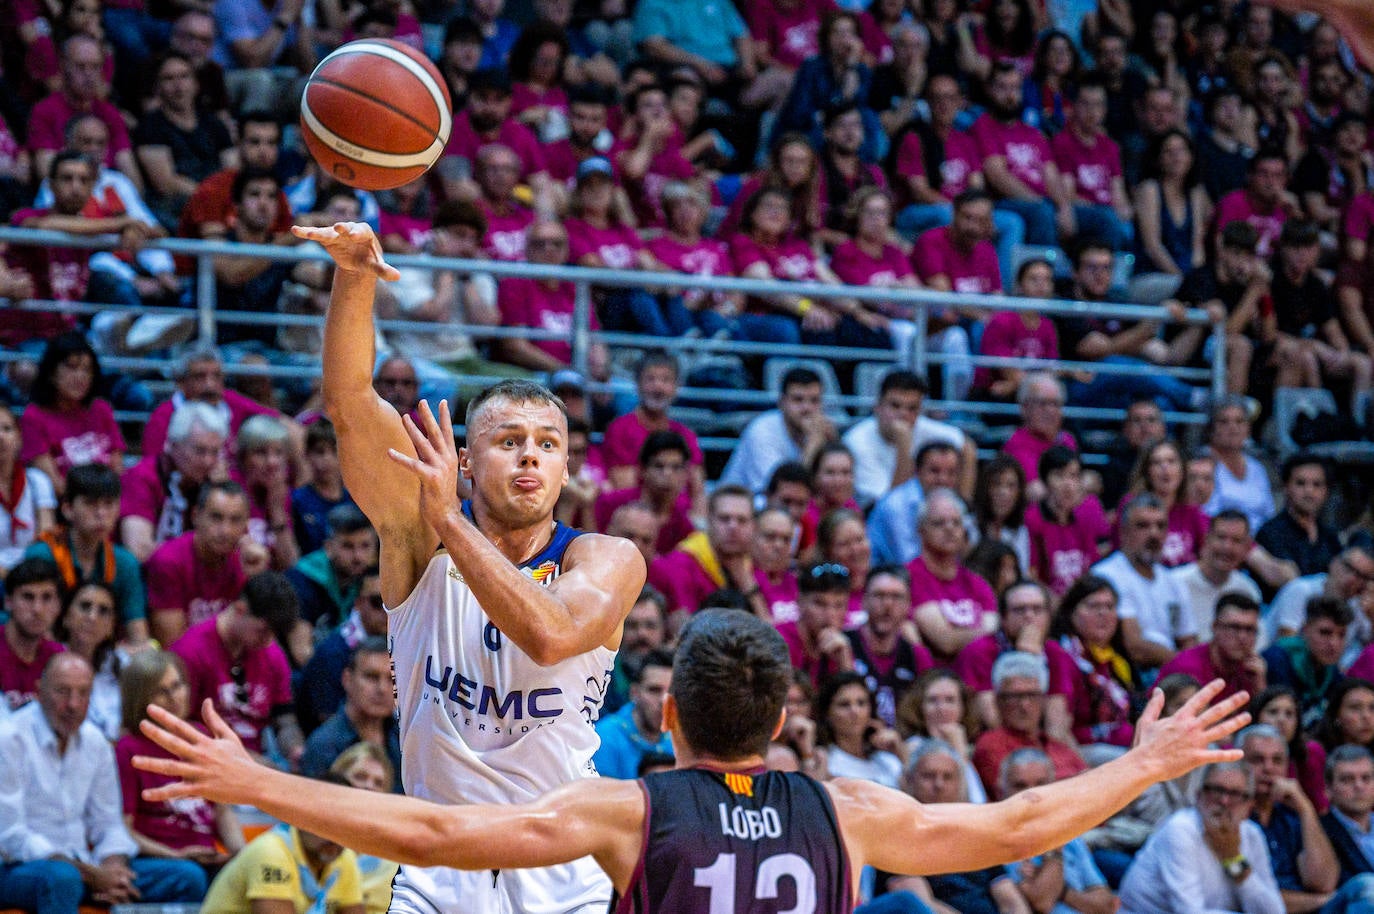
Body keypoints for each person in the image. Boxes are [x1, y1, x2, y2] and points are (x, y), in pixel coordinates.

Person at [131, 608, 1252, 914]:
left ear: (667, 718)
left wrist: (258, 781)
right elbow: (1018, 824)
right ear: (784, 719)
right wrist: (1148, 761)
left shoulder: (628, 807)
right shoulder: (844, 804)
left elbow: (431, 833)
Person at [294, 219, 645, 913]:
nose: (529, 456)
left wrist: (450, 516)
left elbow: (549, 637)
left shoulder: (605, 557)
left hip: (561, 872)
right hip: (439, 872)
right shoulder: (415, 537)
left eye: (548, 443)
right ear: (465, 456)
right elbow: (349, 404)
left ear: (568, 467)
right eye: (508, 440)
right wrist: (356, 274)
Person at [0, 653, 208, 912]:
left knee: (188, 877)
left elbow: (109, 824)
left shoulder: (94, 741)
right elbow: (11, 838)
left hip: (86, 866)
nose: (73, 704)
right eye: (63, 692)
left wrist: (113, 868)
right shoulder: (9, 738)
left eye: (83, 693)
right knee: (62, 879)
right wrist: (90, 874)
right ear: (38, 692)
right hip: (18, 868)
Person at [115, 651, 244, 875]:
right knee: (191, 875)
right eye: (161, 692)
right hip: (157, 859)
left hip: (206, 857)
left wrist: (243, 856)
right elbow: (124, 829)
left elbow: (222, 812)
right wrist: (176, 856)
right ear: (140, 699)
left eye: (177, 686)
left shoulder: (202, 736)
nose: (174, 697)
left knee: (252, 871)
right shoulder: (128, 748)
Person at [1118, 760, 1285, 914]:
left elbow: (1275, 911)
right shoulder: (1181, 828)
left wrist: (1233, 859)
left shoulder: (1252, 835)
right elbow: (1189, 911)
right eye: (1217, 790)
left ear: (1249, 805)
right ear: (1198, 796)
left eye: (1235, 794)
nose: (1224, 801)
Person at [171, 571, 302, 763]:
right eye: (263, 631)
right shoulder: (190, 653)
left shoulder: (273, 655)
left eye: (275, 634)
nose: (268, 641)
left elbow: (284, 718)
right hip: (202, 759)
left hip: (256, 758)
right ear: (240, 609)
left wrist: (295, 750)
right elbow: (179, 726)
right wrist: (249, 761)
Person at [197, 780, 365, 914]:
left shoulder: (343, 855)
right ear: (300, 817)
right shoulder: (271, 851)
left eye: (343, 825)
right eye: (325, 823)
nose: (334, 835)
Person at [25, 463, 147, 645]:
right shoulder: (42, 555)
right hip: (49, 651)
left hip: (103, 654)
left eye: (109, 504)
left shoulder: (125, 562)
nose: (101, 514)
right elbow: (37, 628)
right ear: (67, 509)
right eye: (90, 503)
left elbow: (138, 632)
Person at [997, 748, 1118, 914]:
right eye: (1020, 785)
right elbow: (1043, 902)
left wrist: (1061, 891)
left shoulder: (1070, 836)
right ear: (1001, 790)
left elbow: (1106, 905)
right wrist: (1055, 849)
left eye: (1041, 784)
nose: (1032, 794)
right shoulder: (998, 840)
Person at [1093, 494, 1198, 671]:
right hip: (1128, 675)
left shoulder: (1173, 581)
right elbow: (1135, 647)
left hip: (1170, 676)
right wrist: (1181, 665)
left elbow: (1188, 639)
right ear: (1123, 532)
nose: (1154, 534)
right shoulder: (1106, 576)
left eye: (1160, 526)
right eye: (1143, 525)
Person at [143, 480, 254, 648]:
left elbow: (258, 638)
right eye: (216, 518)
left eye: (235, 520)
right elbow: (175, 646)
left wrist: (256, 579)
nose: (225, 531)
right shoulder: (168, 561)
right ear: (195, 516)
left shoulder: (246, 562)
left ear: (246, 526)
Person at [842, 370, 973, 507]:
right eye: (895, 406)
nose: (903, 414)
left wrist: (962, 505)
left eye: (912, 408)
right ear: (878, 407)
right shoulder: (857, 443)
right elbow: (888, 506)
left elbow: (967, 447)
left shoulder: (923, 426)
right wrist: (904, 446)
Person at [120, 401, 229, 563]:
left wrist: (220, 493)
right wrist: (203, 550)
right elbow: (138, 550)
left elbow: (237, 545)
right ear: (173, 445)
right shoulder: (142, 476)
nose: (208, 461)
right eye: (200, 451)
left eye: (214, 452)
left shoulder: (215, 480)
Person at [17, 333, 125, 492]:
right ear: (51, 372)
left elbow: (117, 470)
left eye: (87, 370)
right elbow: (54, 485)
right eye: (71, 367)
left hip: (108, 504)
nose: (80, 376)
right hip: (62, 508)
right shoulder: (34, 417)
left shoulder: (101, 409)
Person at [972, 651, 1088, 793]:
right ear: (998, 701)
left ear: (1043, 700)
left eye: (1032, 695)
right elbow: (1017, 792)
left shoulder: (1058, 746)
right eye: (1015, 697)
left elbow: (1092, 785)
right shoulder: (991, 745)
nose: (1024, 705)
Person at [1050, 575, 1137, 757]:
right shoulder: (1063, 656)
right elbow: (1060, 728)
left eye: (1109, 607)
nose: (1103, 614)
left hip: (1121, 747)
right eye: (1093, 606)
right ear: (1071, 613)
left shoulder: (1116, 660)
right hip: (1084, 751)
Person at [909, 490, 998, 664]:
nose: (949, 529)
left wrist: (961, 635)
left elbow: (995, 631)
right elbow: (945, 641)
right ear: (921, 531)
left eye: (956, 523)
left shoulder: (977, 583)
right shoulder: (911, 577)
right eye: (939, 523)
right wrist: (981, 631)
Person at [300, 637, 402, 787]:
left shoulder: (405, 740)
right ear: (347, 679)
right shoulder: (323, 745)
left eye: (391, 680)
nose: (382, 688)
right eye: (371, 677)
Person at [721, 367, 836, 495]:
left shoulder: (823, 431)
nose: (807, 408)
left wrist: (832, 442)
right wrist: (812, 445)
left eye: (814, 401)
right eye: (798, 400)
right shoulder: (762, 431)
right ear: (782, 402)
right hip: (742, 505)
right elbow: (780, 491)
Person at [296, 567, 386, 732]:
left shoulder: (404, 644)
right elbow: (327, 720)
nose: (387, 611)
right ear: (358, 603)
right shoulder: (332, 654)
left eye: (394, 602)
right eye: (378, 602)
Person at [649, 485, 757, 622]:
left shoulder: (759, 562)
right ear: (709, 521)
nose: (733, 527)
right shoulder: (680, 564)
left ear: (754, 525)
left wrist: (750, 589)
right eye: (724, 519)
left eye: (742, 520)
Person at [848, 566, 934, 727]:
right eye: (879, 595)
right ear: (864, 601)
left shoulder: (917, 655)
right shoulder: (844, 646)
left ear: (908, 605)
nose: (887, 604)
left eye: (897, 597)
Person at [868, 441, 964, 567]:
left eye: (951, 473)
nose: (943, 479)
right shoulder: (895, 506)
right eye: (935, 471)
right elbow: (908, 561)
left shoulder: (953, 501)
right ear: (917, 471)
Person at [1264, 596, 1353, 732]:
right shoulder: (1277, 660)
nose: (1334, 644)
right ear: (1304, 630)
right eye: (1325, 633)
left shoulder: (1332, 670)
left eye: (1341, 635)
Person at [1170, 511, 1264, 638]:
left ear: (1246, 548)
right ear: (1206, 540)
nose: (1227, 547)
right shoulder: (1175, 582)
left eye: (1236, 541)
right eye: (1221, 537)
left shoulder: (1248, 590)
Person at [1159, 595, 1267, 705]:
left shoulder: (1251, 671)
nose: (1242, 637)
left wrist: (1259, 686)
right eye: (1234, 627)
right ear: (1215, 627)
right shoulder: (1187, 668)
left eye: (1250, 629)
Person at [285, 505, 377, 635]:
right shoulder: (301, 581)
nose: (358, 556)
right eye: (348, 546)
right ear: (328, 547)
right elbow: (301, 652)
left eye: (365, 546)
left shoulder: (375, 576)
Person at [1256, 456, 1344, 583]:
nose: (1309, 491)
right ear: (1286, 488)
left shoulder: (1330, 536)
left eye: (1317, 484)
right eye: (1300, 483)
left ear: (1326, 491)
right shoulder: (1270, 533)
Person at [815, 671, 910, 789]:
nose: (855, 711)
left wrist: (900, 754)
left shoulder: (887, 760)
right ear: (827, 714)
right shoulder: (824, 761)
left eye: (861, 703)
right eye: (844, 704)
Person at [592, 649, 675, 780]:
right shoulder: (602, 739)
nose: (663, 701)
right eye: (654, 690)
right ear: (634, 693)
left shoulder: (681, 738)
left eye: (672, 692)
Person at [1204, 398, 1277, 535]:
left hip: (1260, 542)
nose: (1233, 428)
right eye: (1224, 422)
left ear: (1248, 429)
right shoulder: (1203, 465)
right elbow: (1205, 515)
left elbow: (1269, 514)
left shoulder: (1257, 468)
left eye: (1240, 421)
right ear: (1211, 429)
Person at [777, 562, 857, 688]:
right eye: (820, 604)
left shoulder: (841, 646)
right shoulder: (779, 641)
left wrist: (845, 663)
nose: (830, 614)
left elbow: (853, 702)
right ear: (799, 602)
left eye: (838, 605)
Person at [0, 558, 65, 712]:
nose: (37, 609)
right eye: (28, 597)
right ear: (8, 602)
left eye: (47, 598)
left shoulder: (58, 658)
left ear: (58, 606)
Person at [0, 405, 58, 576]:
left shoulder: (37, 480)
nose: (1, 436)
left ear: (19, 439)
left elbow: (46, 537)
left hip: (31, 574)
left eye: (7, 429)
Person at [1253, 686, 1329, 814]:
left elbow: (1321, 809)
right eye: (1273, 712)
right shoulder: (1236, 751)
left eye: (1289, 714)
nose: (1281, 720)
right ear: (1257, 716)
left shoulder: (1310, 753)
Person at [1321, 745, 1374, 884]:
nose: (1359, 786)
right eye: (1347, 779)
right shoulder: (1320, 831)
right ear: (1328, 789)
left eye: (1366, 778)